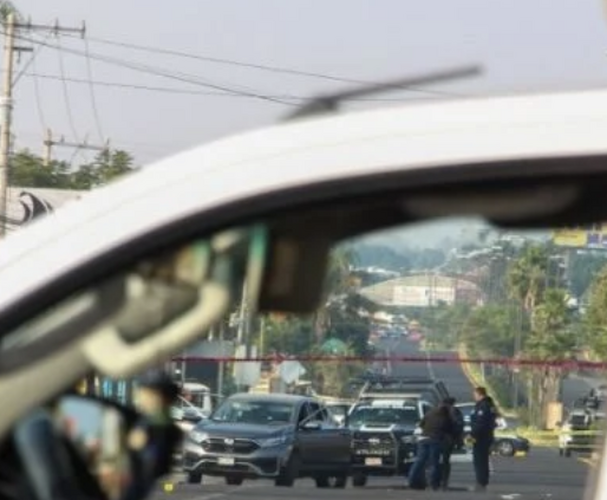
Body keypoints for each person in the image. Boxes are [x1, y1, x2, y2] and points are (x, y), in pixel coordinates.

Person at [408, 403, 454, 491]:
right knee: (434, 463)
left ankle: (411, 480)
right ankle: (432, 484)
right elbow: (449, 429)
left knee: (419, 461)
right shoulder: (445, 417)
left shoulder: (429, 414)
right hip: (435, 440)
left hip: (423, 438)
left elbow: (421, 424)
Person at [470, 387, 498, 492]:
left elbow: (480, 423)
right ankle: (483, 481)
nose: (474, 397)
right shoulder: (490, 405)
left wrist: (472, 434)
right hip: (486, 436)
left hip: (481, 437)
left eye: (475, 394)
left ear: (480, 394)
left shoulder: (483, 406)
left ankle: (480, 482)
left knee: (479, 461)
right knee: (483, 460)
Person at [441, 397, 464, 490]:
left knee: (436, 459)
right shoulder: (456, 412)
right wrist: (458, 441)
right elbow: (459, 427)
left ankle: (438, 479)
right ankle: (444, 480)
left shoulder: (439, 410)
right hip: (449, 439)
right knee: (445, 460)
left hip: (439, 438)